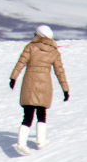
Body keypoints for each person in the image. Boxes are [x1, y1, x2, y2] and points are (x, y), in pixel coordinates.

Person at [9, 25, 70, 154]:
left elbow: (20, 63)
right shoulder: (54, 52)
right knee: (41, 112)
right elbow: (60, 72)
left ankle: (21, 144)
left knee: (28, 114)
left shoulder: (30, 47)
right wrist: (65, 89)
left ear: (38, 35)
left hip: (29, 83)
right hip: (45, 85)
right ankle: (41, 141)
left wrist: (13, 77)